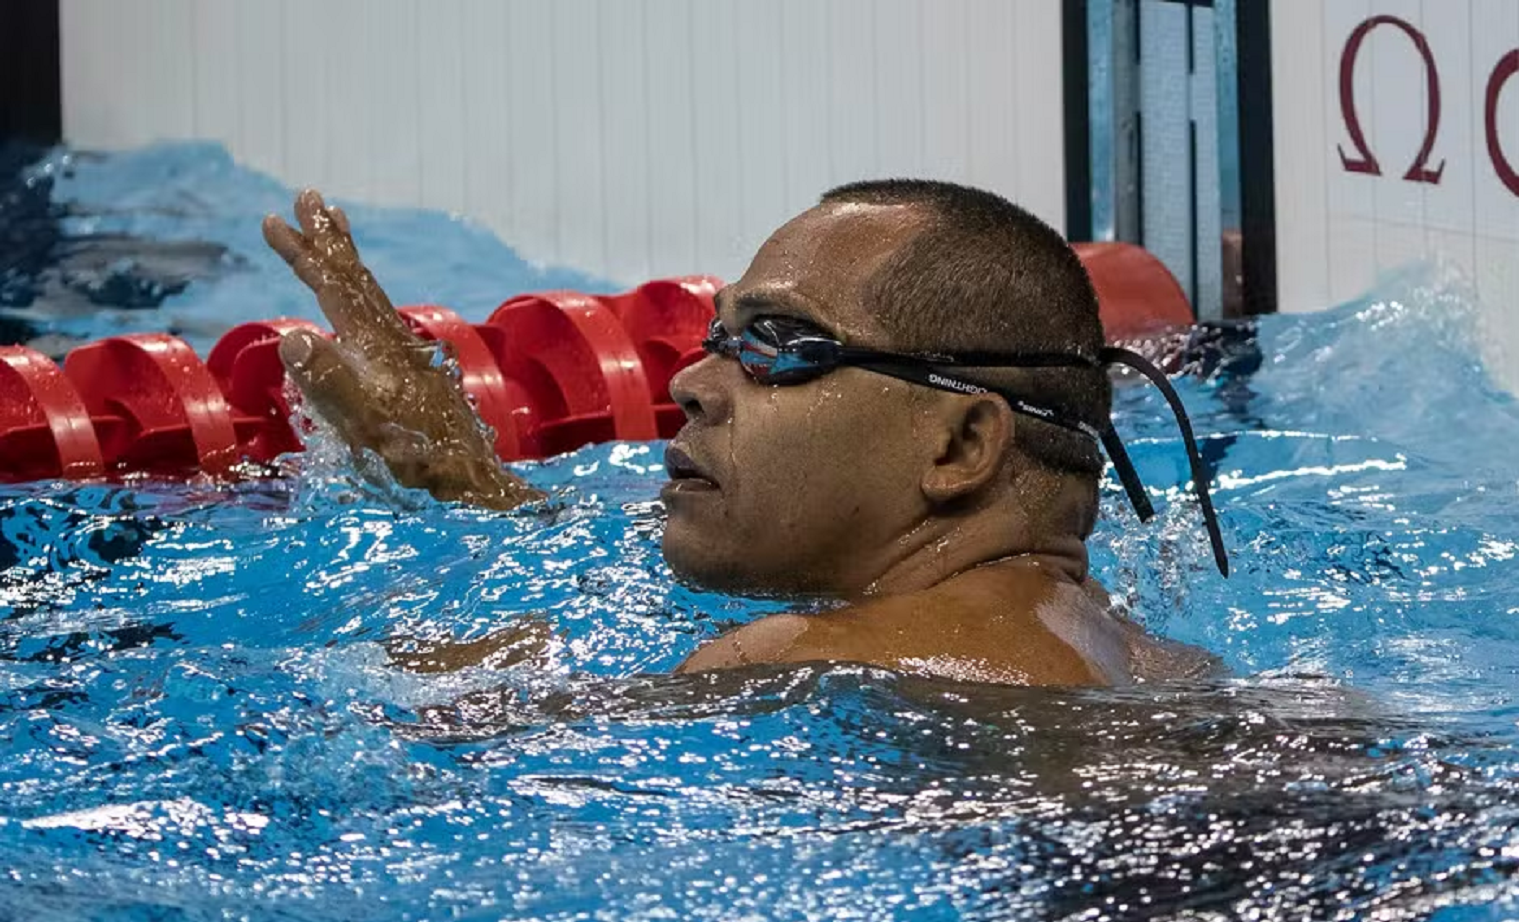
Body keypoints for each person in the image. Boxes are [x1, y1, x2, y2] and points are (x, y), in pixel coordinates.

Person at [262, 180, 1224, 687]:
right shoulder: (1159, 664)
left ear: (960, 447)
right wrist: (467, 486)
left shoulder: (797, 659)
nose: (689, 383)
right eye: (715, 338)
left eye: (779, 345)